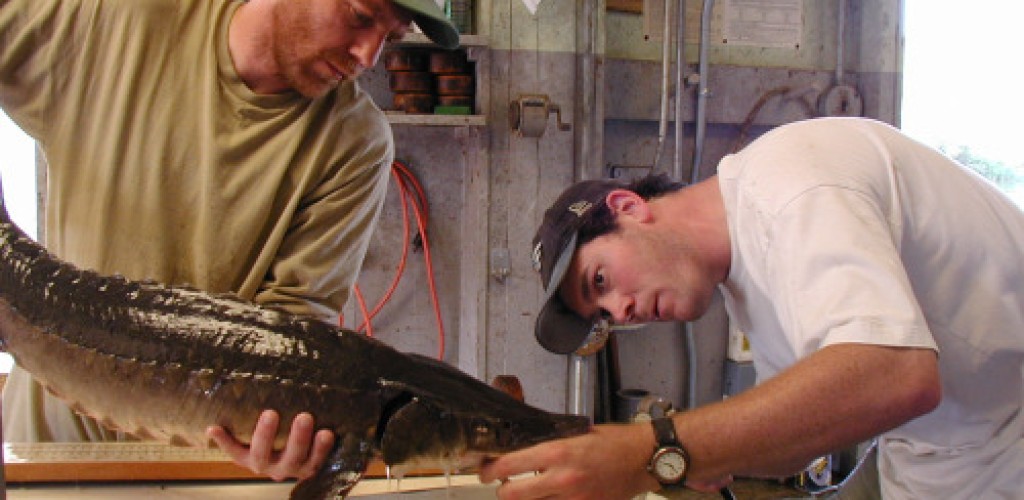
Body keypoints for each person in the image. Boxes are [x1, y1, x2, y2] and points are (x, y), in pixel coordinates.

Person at [0, 0, 458, 482]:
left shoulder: (355, 142)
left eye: (393, 36)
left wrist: (289, 437)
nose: (369, 56)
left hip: (210, 471)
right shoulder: (122, 19)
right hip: (45, 456)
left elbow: (293, 325)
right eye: (361, 17)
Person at [479, 117, 1024, 499]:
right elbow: (799, 439)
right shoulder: (744, 268)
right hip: (932, 453)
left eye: (600, 280)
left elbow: (897, 375)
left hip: (1004, 446)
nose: (620, 313)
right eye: (602, 314)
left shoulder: (789, 187)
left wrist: (650, 451)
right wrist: (702, 457)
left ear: (628, 207)